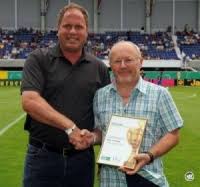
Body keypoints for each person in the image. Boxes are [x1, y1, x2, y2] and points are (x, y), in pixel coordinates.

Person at [21, 3, 110, 187]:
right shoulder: (38, 59)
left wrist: (94, 139)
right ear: (57, 29)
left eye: (79, 27)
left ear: (87, 32)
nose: (73, 31)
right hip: (42, 159)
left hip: (82, 160)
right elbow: (30, 101)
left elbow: (107, 116)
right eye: (67, 26)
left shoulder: (99, 68)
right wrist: (70, 127)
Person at [91, 41, 183, 187]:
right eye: (117, 61)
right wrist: (91, 137)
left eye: (128, 60)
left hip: (148, 179)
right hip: (110, 181)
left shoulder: (160, 94)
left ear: (140, 62)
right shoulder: (99, 96)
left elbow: (173, 135)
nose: (122, 65)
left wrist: (149, 155)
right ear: (110, 64)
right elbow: (100, 132)